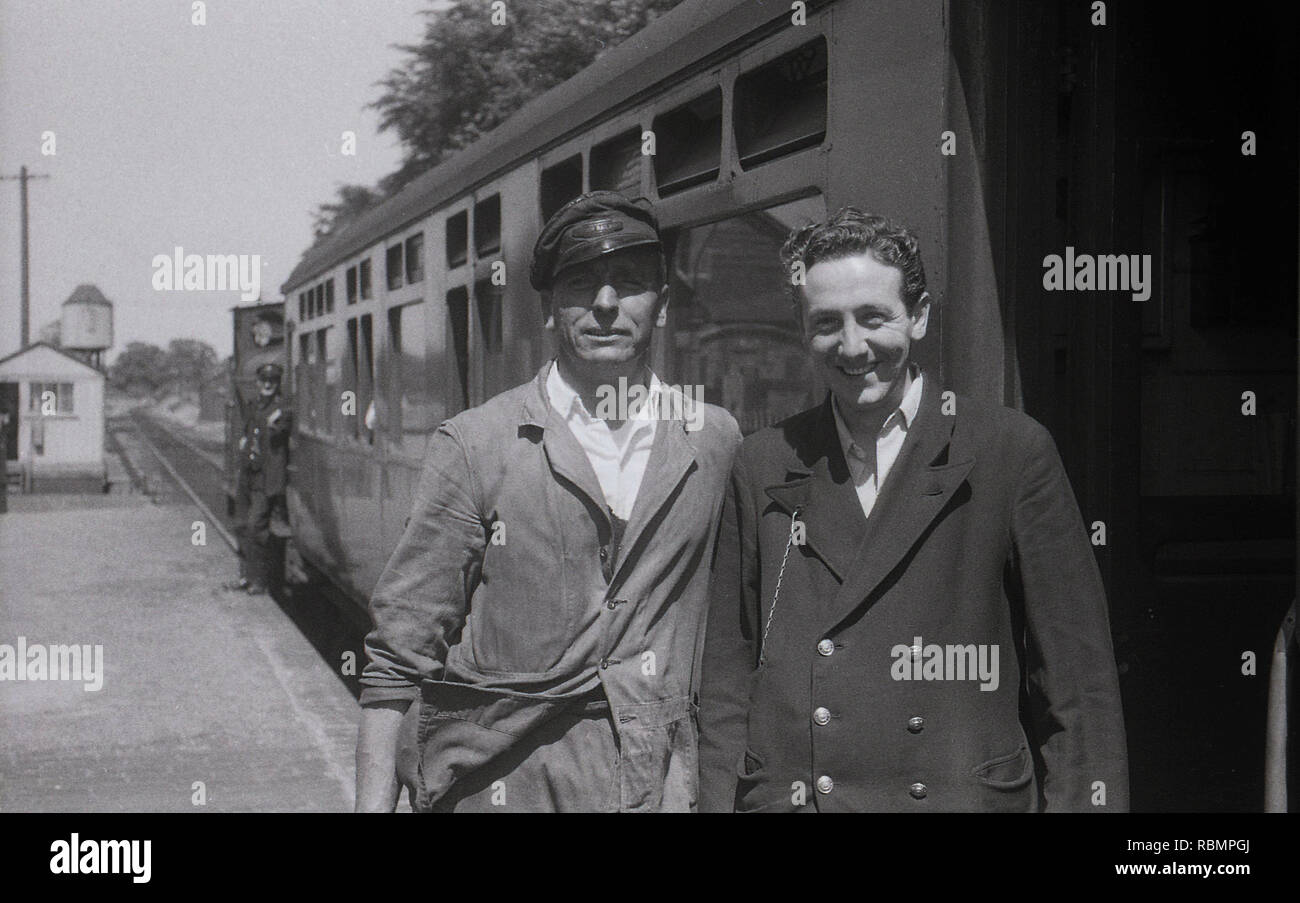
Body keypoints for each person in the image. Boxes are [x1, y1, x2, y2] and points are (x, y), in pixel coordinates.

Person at [697, 208, 1128, 812]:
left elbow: (1078, 691)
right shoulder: (763, 462)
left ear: (919, 316)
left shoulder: (1009, 451)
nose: (852, 347)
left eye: (873, 317)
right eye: (826, 323)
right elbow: (725, 685)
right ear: (802, 330)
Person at [355, 191, 741, 812]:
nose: (607, 304)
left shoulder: (714, 439)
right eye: (581, 283)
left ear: (662, 305)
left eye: (631, 283)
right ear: (548, 308)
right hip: (507, 782)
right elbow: (400, 654)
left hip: (659, 786)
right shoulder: (477, 443)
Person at [225, 362, 292, 596]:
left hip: (266, 478)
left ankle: (260, 581)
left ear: (277, 384)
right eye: (264, 380)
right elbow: (247, 431)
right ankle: (245, 577)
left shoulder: (282, 408)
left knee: (256, 528)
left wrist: (274, 422)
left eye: (272, 381)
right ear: (257, 382)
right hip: (248, 474)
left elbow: (280, 430)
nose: (267, 385)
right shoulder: (254, 406)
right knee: (241, 524)